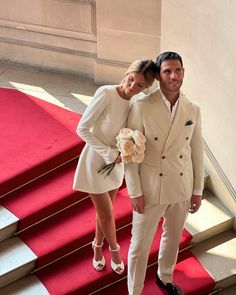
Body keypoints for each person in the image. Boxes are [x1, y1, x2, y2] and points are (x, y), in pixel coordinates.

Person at [125, 51, 204, 294]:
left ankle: (165, 277)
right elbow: (130, 152)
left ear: (183, 72)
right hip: (149, 187)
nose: (174, 76)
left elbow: (196, 151)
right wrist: (135, 191)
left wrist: (197, 190)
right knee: (139, 246)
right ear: (158, 76)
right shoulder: (141, 106)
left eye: (178, 70)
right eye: (167, 71)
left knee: (172, 238)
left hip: (181, 184)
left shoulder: (193, 109)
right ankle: (135, 290)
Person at [73, 58, 156, 275]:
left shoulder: (136, 102)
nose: (132, 87)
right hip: (96, 161)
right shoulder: (106, 93)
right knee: (108, 214)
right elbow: (82, 129)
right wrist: (108, 153)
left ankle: (97, 247)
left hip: (117, 163)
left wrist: (126, 151)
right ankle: (116, 251)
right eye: (130, 80)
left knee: (104, 213)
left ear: (145, 87)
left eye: (139, 85)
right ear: (126, 74)